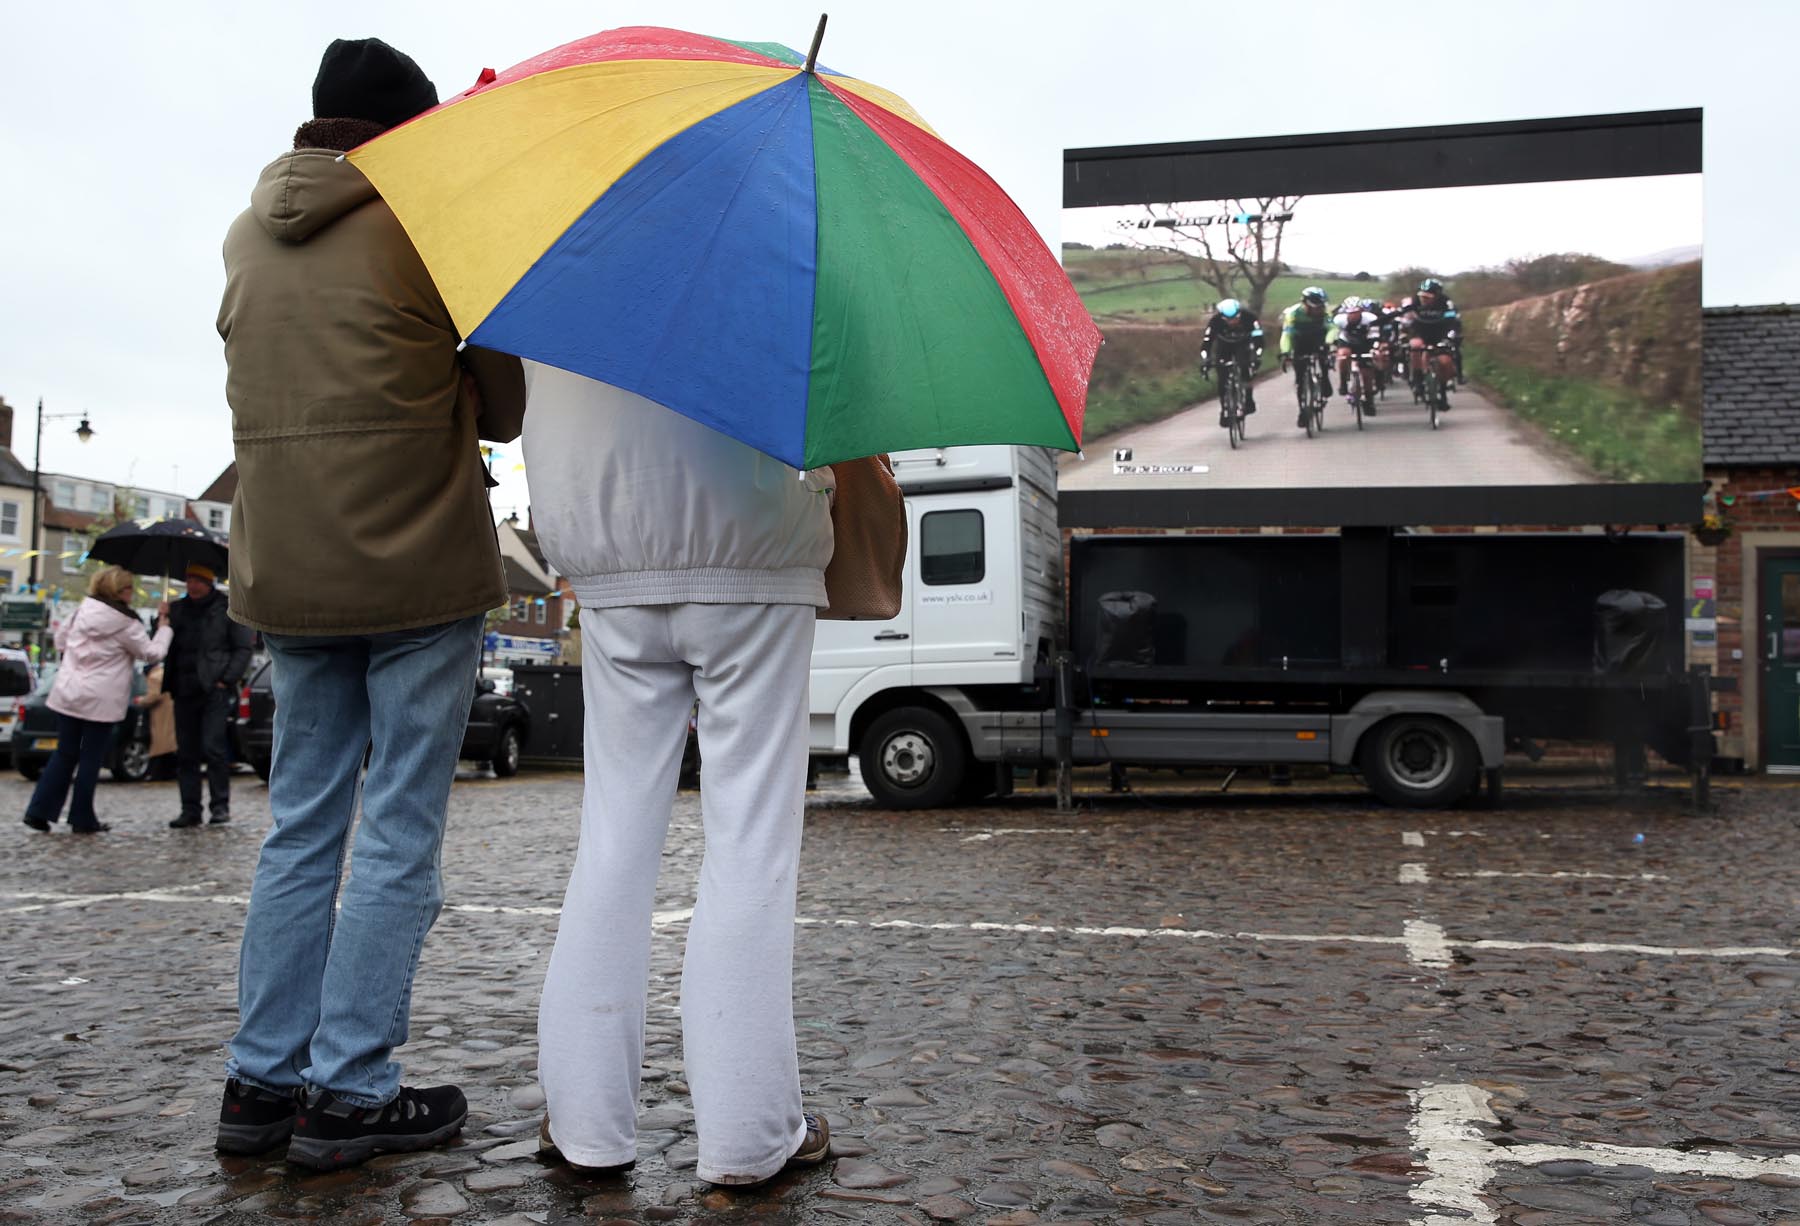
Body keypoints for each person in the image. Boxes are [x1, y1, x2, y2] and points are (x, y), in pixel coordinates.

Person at [213, 37, 526, 1169]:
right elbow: (504, 411)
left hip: (290, 570)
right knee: (396, 829)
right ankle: (349, 1091)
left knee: (300, 828)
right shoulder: (431, 226)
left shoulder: (246, 233)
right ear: (404, 132)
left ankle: (260, 1082)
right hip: (417, 568)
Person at [525, 367, 834, 1187]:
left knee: (612, 843)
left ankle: (585, 1125)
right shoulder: (774, 270)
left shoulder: (551, 277)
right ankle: (749, 1136)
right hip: (753, 535)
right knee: (751, 849)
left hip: (605, 530)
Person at [21, 567, 170, 835]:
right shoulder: (127, 623)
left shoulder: (82, 610)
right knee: (91, 757)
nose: (132, 593)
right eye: (129, 588)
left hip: (69, 691)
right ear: (119, 591)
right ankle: (82, 818)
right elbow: (151, 653)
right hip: (101, 698)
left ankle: (38, 811)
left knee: (64, 753)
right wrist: (164, 629)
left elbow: (61, 641)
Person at [164, 562, 254, 828]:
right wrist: (161, 621)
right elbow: (164, 645)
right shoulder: (176, 610)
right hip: (183, 688)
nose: (192, 585)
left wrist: (226, 680)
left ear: (208, 583)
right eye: (189, 580)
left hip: (213, 689)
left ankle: (220, 806)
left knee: (214, 749)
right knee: (186, 754)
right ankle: (190, 808)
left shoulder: (226, 608)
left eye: (197, 580)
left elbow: (243, 648)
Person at [1199, 298, 1265, 422]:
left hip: (1243, 345)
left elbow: (1259, 339)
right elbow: (1207, 342)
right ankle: (1224, 408)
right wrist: (1205, 360)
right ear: (1222, 317)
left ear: (1240, 313)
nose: (1232, 322)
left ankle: (1248, 399)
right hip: (1224, 347)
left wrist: (1256, 355)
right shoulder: (1215, 321)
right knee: (1222, 377)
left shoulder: (1249, 317)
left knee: (1245, 367)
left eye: (1235, 318)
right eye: (1228, 319)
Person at [1278, 286, 1335, 427]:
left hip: (1319, 338)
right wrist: (1285, 352)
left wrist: (1329, 342)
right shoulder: (1293, 313)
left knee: (1323, 357)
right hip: (1300, 341)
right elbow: (1287, 335)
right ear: (1306, 304)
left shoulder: (1325, 312)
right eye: (1316, 307)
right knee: (1300, 379)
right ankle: (1303, 410)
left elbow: (1332, 328)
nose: (1319, 310)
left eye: (1321, 306)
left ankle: (1325, 379)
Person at [1399, 277, 1463, 393]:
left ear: (1437, 296)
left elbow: (1454, 322)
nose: (1423, 299)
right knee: (1415, 347)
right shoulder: (1414, 302)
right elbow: (1405, 319)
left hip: (1440, 333)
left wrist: (1451, 336)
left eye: (1427, 297)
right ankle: (1418, 380)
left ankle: (1452, 379)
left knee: (1446, 360)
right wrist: (1404, 334)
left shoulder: (1446, 303)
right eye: (1422, 296)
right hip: (1420, 332)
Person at [1333, 297, 1383, 416]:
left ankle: (1369, 400)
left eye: (1356, 312)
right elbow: (1335, 336)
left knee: (1366, 374)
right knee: (1343, 355)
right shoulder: (1339, 320)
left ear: (1361, 310)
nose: (1353, 315)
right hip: (1347, 342)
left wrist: (1374, 350)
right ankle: (1343, 382)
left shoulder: (1370, 318)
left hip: (1365, 342)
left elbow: (1375, 337)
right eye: (1350, 313)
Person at [134, 661, 177, 779]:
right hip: (169, 712)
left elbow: (153, 696)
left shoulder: (154, 677)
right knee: (169, 745)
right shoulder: (163, 673)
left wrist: (140, 700)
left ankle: (158, 773)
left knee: (160, 745)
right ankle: (169, 771)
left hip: (160, 714)